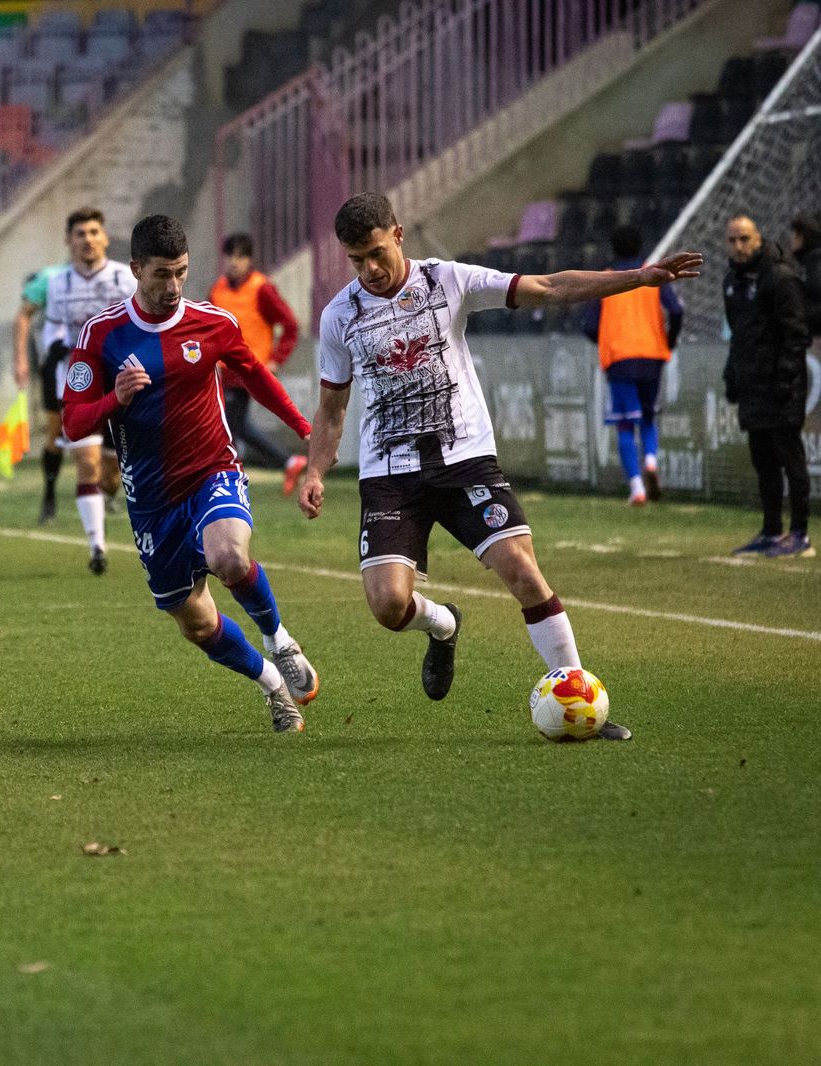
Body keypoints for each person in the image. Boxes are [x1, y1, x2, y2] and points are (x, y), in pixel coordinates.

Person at [297, 193, 703, 738]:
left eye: (375, 253)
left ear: (397, 235)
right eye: (355, 260)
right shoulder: (339, 316)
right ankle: (442, 624)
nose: (368, 269)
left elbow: (550, 286)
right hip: (389, 476)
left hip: (465, 460)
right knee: (389, 606)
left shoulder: (447, 280)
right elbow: (332, 408)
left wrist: (635, 279)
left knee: (524, 573)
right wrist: (317, 471)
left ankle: (580, 698)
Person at [61, 214, 320, 734]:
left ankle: (279, 639)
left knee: (229, 555)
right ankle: (271, 683)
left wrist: (304, 429)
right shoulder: (101, 335)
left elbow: (255, 374)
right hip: (152, 500)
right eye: (161, 274)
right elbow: (72, 420)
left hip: (211, 469)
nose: (173, 286)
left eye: (181, 272)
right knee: (196, 623)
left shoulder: (214, 323)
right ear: (136, 269)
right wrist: (116, 398)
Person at [40, 207, 138, 574]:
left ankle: (108, 502)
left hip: (121, 385)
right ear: (69, 241)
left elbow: (140, 324)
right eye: (80, 233)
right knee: (87, 464)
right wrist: (55, 346)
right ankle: (97, 546)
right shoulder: (57, 284)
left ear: (105, 237)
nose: (88, 239)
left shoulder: (125, 279)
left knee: (111, 473)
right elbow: (53, 328)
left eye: (94, 232)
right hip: (79, 385)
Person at [724, 215, 813, 558]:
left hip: (781, 386)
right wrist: (731, 374)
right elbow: (738, 336)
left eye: (745, 239)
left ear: (758, 239)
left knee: (790, 457)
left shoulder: (780, 277)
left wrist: (786, 377)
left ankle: (801, 533)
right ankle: (772, 530)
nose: (738, 247)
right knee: (763, 461)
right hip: (752, 385)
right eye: (732, 240)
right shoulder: (732, 281)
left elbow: (796, 334)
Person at [580, 224, 682, 505]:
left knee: (625, 424)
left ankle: (637, 488)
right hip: (653, 354)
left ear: (613, 249)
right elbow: (676, 310)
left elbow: (589, 326)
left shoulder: (606, 280)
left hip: (620, 358)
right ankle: (651, 460)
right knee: (649, 416)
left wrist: (606, 339)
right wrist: (669, 339)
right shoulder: (653, 275)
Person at [207, 233, 310, 496]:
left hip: (248, 370)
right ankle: (286, 462)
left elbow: (290, 325)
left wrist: (276, 359)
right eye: (229, 256)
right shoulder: (218, 289)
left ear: (249, 259)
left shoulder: (261, 288)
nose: (233, 262)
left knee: (231, 425)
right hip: (223, 370)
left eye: (239, 256)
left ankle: (275, 464)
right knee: (231, 425)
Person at [13, 261, 68, 524]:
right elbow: (24, 314)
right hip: (57, 366)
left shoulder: (112, 277)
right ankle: (49, 497)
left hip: (100, 364)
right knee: (55, 434)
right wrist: (21, 360)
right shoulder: (50, 278)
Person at [788, 213, 821, 337]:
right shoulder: (809, 262)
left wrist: (798, 315)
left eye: (794, 235)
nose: (791, 239)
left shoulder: (816, 262)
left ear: (802, 237)